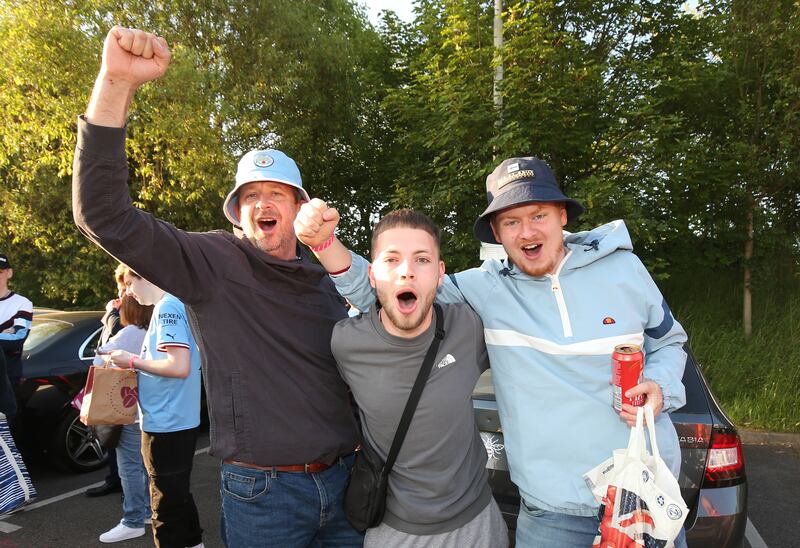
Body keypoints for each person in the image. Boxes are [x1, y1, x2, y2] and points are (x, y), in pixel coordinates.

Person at [294, 156, 689, 548]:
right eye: (511, 222)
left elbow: (668, 341)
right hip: (551, 511)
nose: (527, 231)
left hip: (641, 499)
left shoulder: (625, 271)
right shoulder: (484, 289)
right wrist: (325, 243)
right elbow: (392, 296)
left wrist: (662, 385)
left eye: (538, 215)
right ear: (497, 234)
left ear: (562, 216)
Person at [72, 27, 362, 547]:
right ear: (236, 214)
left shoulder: (331, 270)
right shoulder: (212, 261)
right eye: (249, 196)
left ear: (299, 207)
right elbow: (103, 215)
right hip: (263, 494)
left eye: (277, 193)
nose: (263, 203)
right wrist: (115, 83)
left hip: (346, 484)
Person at [311, 209, 508, 547]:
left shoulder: (469, 326)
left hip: (479, 524)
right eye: (392, 260)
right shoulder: (346, 342)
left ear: (440, 273)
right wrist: (322, 242)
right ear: (372, 275)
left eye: (422, 259)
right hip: (395, 531)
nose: (406, 272)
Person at [107, 267, 201, 548]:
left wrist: (131, 361)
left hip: (166, 421)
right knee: (177, 495)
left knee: (165, 505)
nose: (128, 294)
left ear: (144, 276)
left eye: (129, 285)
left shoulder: (166, 306)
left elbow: (178, 366)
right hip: (175, 418)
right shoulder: (175, 302)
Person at [97, 292, 153, 543]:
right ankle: (146, 512)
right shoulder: (151, 331)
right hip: (148, 407)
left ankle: (132, 520)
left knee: (129, 466)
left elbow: (100, 356)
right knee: (143, 465)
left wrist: (107, 320)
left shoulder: (129, 333)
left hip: (128, 409)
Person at [87, 266, 128, 498]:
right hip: (109, 378)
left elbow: (115, 332)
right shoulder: (119, 308)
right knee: (110, 434)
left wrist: (110, 312)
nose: (121, 294)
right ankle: (115, 479)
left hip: (124, 382)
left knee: (124, 438)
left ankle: (127, 484)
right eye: (120, 288)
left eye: (125, 288)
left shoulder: (131, 310)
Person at [0, 253, 33, 390]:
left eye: (0, 272)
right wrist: (5, 332)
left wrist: (12, 333)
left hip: (6, 378)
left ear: (9, 273)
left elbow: (17, 339)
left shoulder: (22, 303)